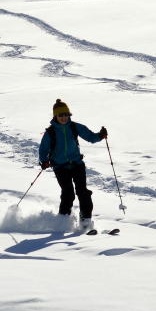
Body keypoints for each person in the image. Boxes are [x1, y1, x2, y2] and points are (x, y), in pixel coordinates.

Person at [38, 99, 107, 231]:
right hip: (60, 167)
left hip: (77, 164)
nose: (63, 118)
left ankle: (85, 221)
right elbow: (43, 149)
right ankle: (63, 222)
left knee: (83, 192)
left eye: (66, 115)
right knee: (68, 194)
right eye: (60, 115)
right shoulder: (50, 132)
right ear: (55, 116)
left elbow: (91, 137)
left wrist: (100, 135)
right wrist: (44, 161)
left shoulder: (75, 127)